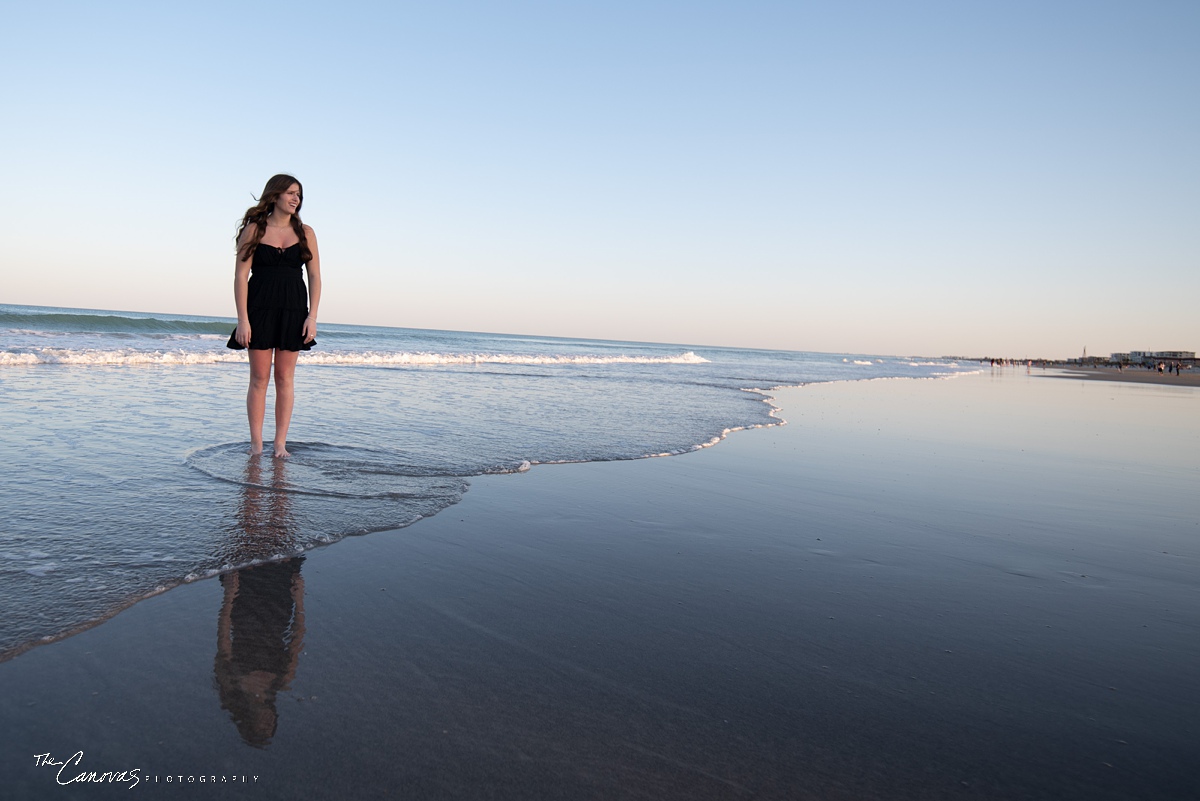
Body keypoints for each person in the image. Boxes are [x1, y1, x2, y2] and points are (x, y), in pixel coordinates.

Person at [226, 174, 322, 457]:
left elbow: (315, 276)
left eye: (299, 195)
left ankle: (280, 444)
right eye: (291, 193)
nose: (296, 199)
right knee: (259, 378)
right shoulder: (254, 230)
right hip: (259, 309)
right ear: (276, 194)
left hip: (294, 310)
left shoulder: (307, 232)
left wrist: (312, 316)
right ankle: (257, 445)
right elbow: (240, 276)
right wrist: (243, 319)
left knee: (285, 377)